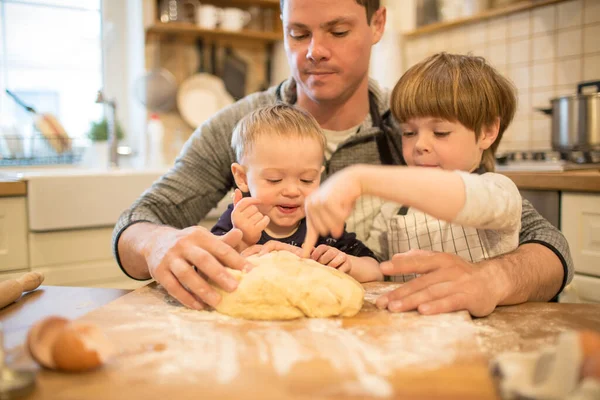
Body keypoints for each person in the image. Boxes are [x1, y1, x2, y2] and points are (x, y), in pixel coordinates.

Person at [112, 0, 572, 317]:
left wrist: (492, 280)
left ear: (377, 25)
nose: (314, 51)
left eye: (337, 30)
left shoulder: (415, 124)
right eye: (298, 33)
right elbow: (141, 219)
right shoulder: (241, 125)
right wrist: (155, 244)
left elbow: (547, 245)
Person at [303, 52, 539, 316]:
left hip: (484, 336)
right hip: (415, 338)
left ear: (486, 132)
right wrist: (346, 263)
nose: (420, 145)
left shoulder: (498, 191)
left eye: (440, 132)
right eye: (409, 132)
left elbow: (462, 194)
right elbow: (379, 268)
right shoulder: (394, 210)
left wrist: (361, 178)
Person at [210, 104, 381, 283]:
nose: (292, 191)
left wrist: (346, 263)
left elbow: (375, 270)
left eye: (307, 180)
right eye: (274, 179)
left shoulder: (322, 223)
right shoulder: (236, 219)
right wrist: (242, 242)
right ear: (243, 178)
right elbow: (203, 272)